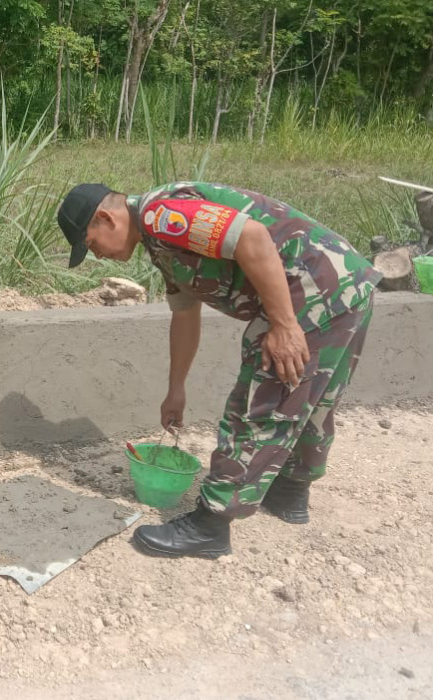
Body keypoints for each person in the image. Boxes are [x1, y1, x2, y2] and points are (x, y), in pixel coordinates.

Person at [58, 181, 381, 558]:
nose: (96, 255)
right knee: (312, 397)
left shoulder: (159, 215)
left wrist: (283, 324)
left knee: (258, 405)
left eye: (91, 243)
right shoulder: (159, 243)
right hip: (344, 285)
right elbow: (185, 313)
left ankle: (210, 525)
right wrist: (176, 388)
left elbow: (252, 236)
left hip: (309, 292)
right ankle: (291, 492)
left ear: (105, 217)